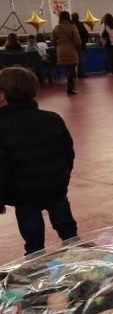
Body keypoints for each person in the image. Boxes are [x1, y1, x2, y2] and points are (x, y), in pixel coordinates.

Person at [0, 66, 78, 255]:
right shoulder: (52, 118)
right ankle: (77, 253)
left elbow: (1, 169)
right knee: (68, 230)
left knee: (33, 239)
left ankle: (36, 263)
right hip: (56, 188)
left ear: (2, 96)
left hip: (24, 196)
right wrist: (63, 176)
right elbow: (68, 152)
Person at [52, 11, 81, 95]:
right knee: (71, 70)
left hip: (60, 51)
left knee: (69, 70)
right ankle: (70, 87)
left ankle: (71, 87)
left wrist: (59, 46)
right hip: (71, 50)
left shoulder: (56, 28)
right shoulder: (72, 27)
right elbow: (78, 41)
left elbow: (53, 40)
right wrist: (76, 48)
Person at [71, 12, 90, 77]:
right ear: (78, 17)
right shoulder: (80, 24)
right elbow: (86, 34)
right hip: (80, 45)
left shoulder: (70, 25)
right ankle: (80, 73)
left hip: (71, 45)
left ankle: (73, 74)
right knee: (80, 59)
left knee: (72, 61)